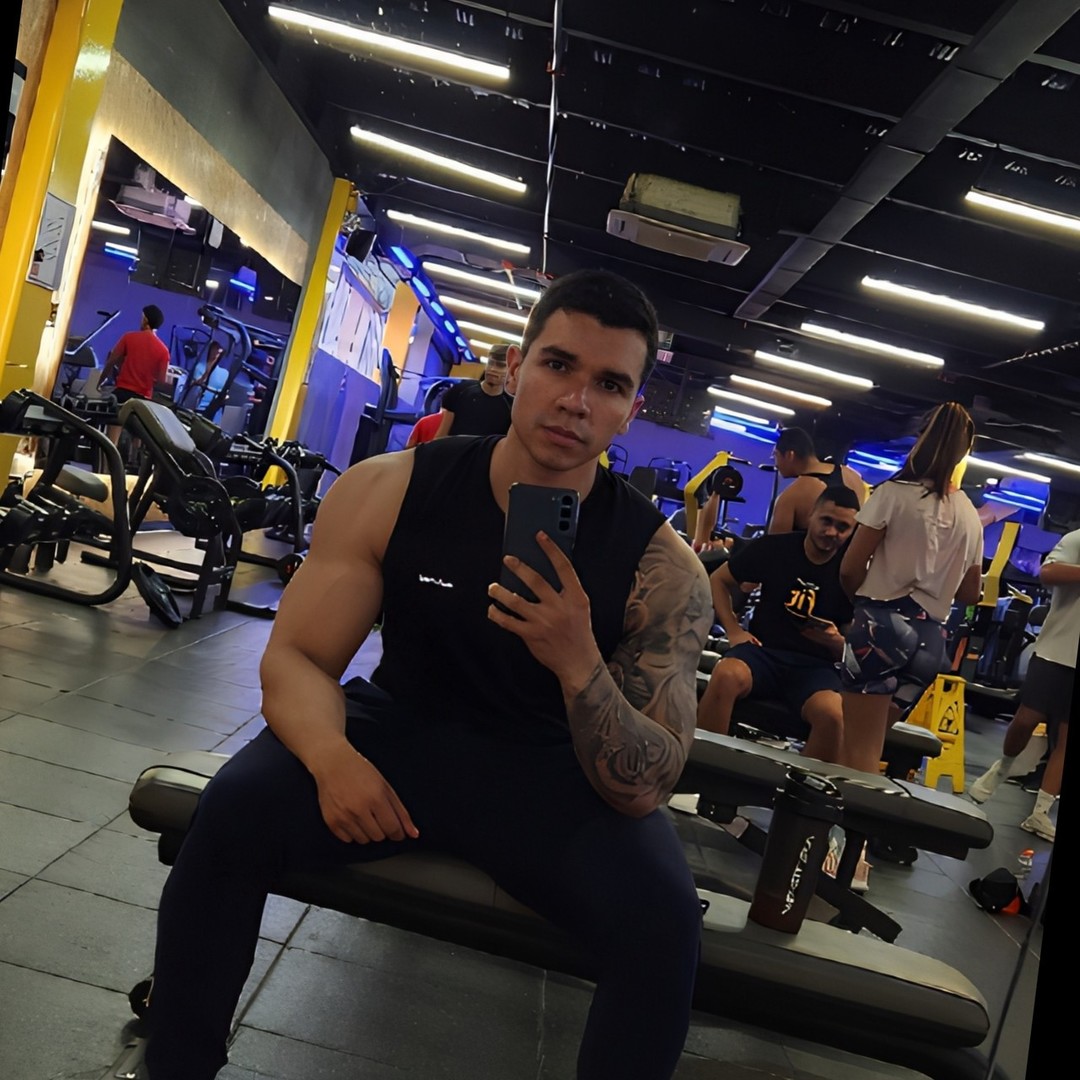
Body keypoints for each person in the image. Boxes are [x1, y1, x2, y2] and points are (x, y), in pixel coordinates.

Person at [142, 269, 712, 1080]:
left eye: (609, 384)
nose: (576, 401)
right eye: (558, 365)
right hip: (395, 736)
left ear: (631, 409)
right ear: (514, 367)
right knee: (232, 811)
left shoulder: (665, 567)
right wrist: (333, 760)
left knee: (665, 922)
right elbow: (298, 658)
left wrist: (579, 660)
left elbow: (646, 783)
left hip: (551, 774)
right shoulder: (391, 489)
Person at [837, 403, 984, 774]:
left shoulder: (893, 493)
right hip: (931, 643)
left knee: (858, 753)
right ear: (965, 451)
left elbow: (850, 569)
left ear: (920, 438)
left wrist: (862, 607)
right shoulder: (970, 514)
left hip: (881, 627)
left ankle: (849, 812)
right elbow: (971, 594)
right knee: (867, 748)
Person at [697, 487, 859, 762]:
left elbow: (853, 645)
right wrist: (733, 630)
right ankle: (704, 769)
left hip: (815, 668)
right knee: (725, 675)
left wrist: (836, 642)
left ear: (853, 531)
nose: (832, 532)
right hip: (764, 654)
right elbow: (718, 580)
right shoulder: (775, 548)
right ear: (812, 515)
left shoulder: (851, 572)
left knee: (834, 714)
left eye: (842, 527)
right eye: (826, 521)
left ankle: (800, 788)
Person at [968, 528, 1079, 841]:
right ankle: (1003, 766)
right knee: (1027, 719)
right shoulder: (1076, 539)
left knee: (1064, 738)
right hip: (1055, 651)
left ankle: (1041, 812)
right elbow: (1048, 572)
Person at [768, 427, 865, 534]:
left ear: (789, 455)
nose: (774, 462)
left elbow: (774, 543)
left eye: (775, 455)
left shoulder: (790, 497)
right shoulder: (853, 477)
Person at [100, 304, 171, 443]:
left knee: (112, 438)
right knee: (138, 435)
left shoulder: (129, 337)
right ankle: (134, 454)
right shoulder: (163, 351)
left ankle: (108, 455)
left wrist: (100, 382)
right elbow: (161, 381)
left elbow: (111, 361)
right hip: (142, 399)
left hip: (122, 394)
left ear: (145, 320)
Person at [434, 342, 513, 437]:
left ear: (510, 370)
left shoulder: (511, 407)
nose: (492, 369)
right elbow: (441, 434)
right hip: (454, 446)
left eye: (500, 365)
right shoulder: (460, 391)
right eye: (490, 363)